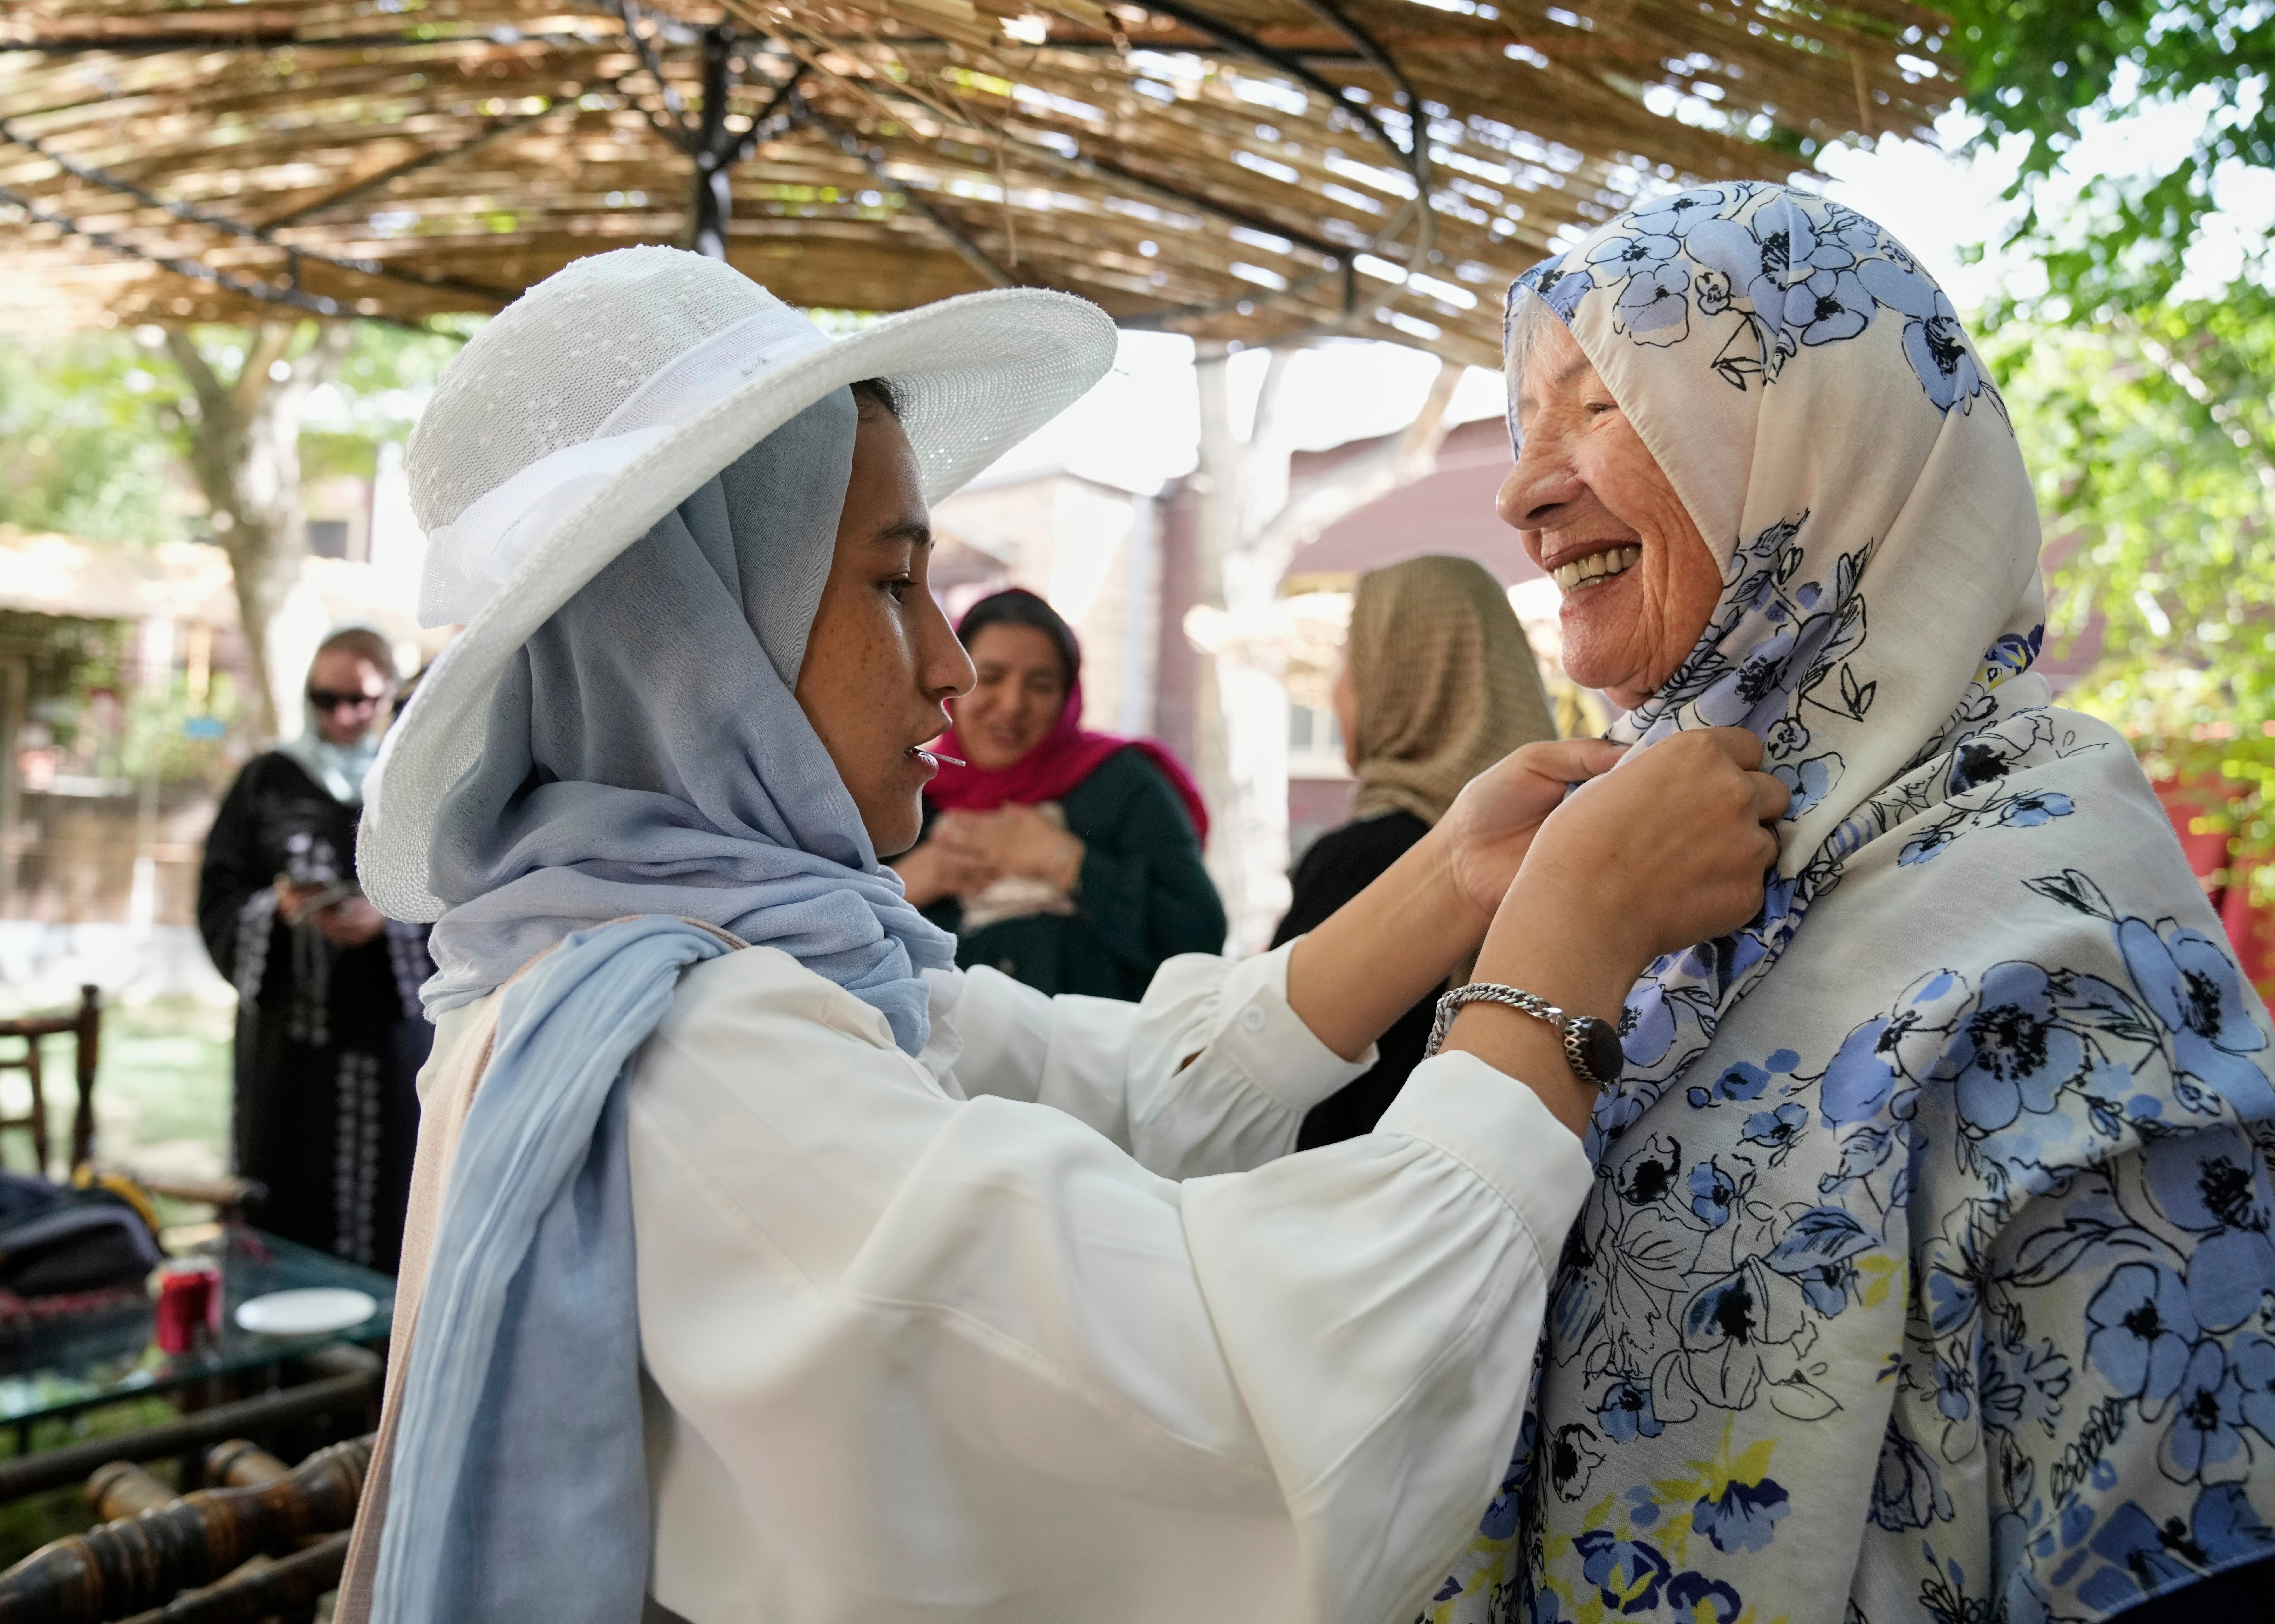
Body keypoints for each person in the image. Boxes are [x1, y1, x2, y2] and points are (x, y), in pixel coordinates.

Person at [327, 246, 1787, 1624]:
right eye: (893, 586)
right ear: (707, 641)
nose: (952, 667)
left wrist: (1453, 885)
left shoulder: (678, 966)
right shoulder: (687, 1060)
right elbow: (1236, 1401)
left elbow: (1100, 1082)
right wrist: (1560, 963)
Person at [1421, 184, 2275, 1624]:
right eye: (1523, 423)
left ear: (1815, 438)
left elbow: (2170, 1555)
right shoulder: (1643, 866)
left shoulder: (2048, 924)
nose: (1520, 489)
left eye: (1601, 404)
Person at [1272, 554, 1558, 1147]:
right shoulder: (1564, 839)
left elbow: (1280, 1092)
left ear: (1400, 675)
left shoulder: (1366, 860)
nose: (1335, 690)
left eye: (1350, 660)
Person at [198, 626, 433, 1272]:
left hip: (389, 1032)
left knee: (394, 1189)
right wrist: (275, 908)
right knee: (281, 1177)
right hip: (290, 1036)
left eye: (361, 701)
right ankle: (283, 1361)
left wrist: (389, 923)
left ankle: (376, 1361)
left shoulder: (418, 782)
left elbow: (463, 894)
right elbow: (218, 892)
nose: (344, 716)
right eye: (326, 699)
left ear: (388, 697)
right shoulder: (266, 780)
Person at [898, 588, 1224, 997]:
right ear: (953, 681)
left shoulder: (1122, 783)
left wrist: (1066, 861)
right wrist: (906, 883)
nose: (1013, 704)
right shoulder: (907, 789)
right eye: (990, 678)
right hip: (932, 1056)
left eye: (1041, 685)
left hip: (1098, 1056)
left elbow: (1200, 938)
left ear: (1067, 695)